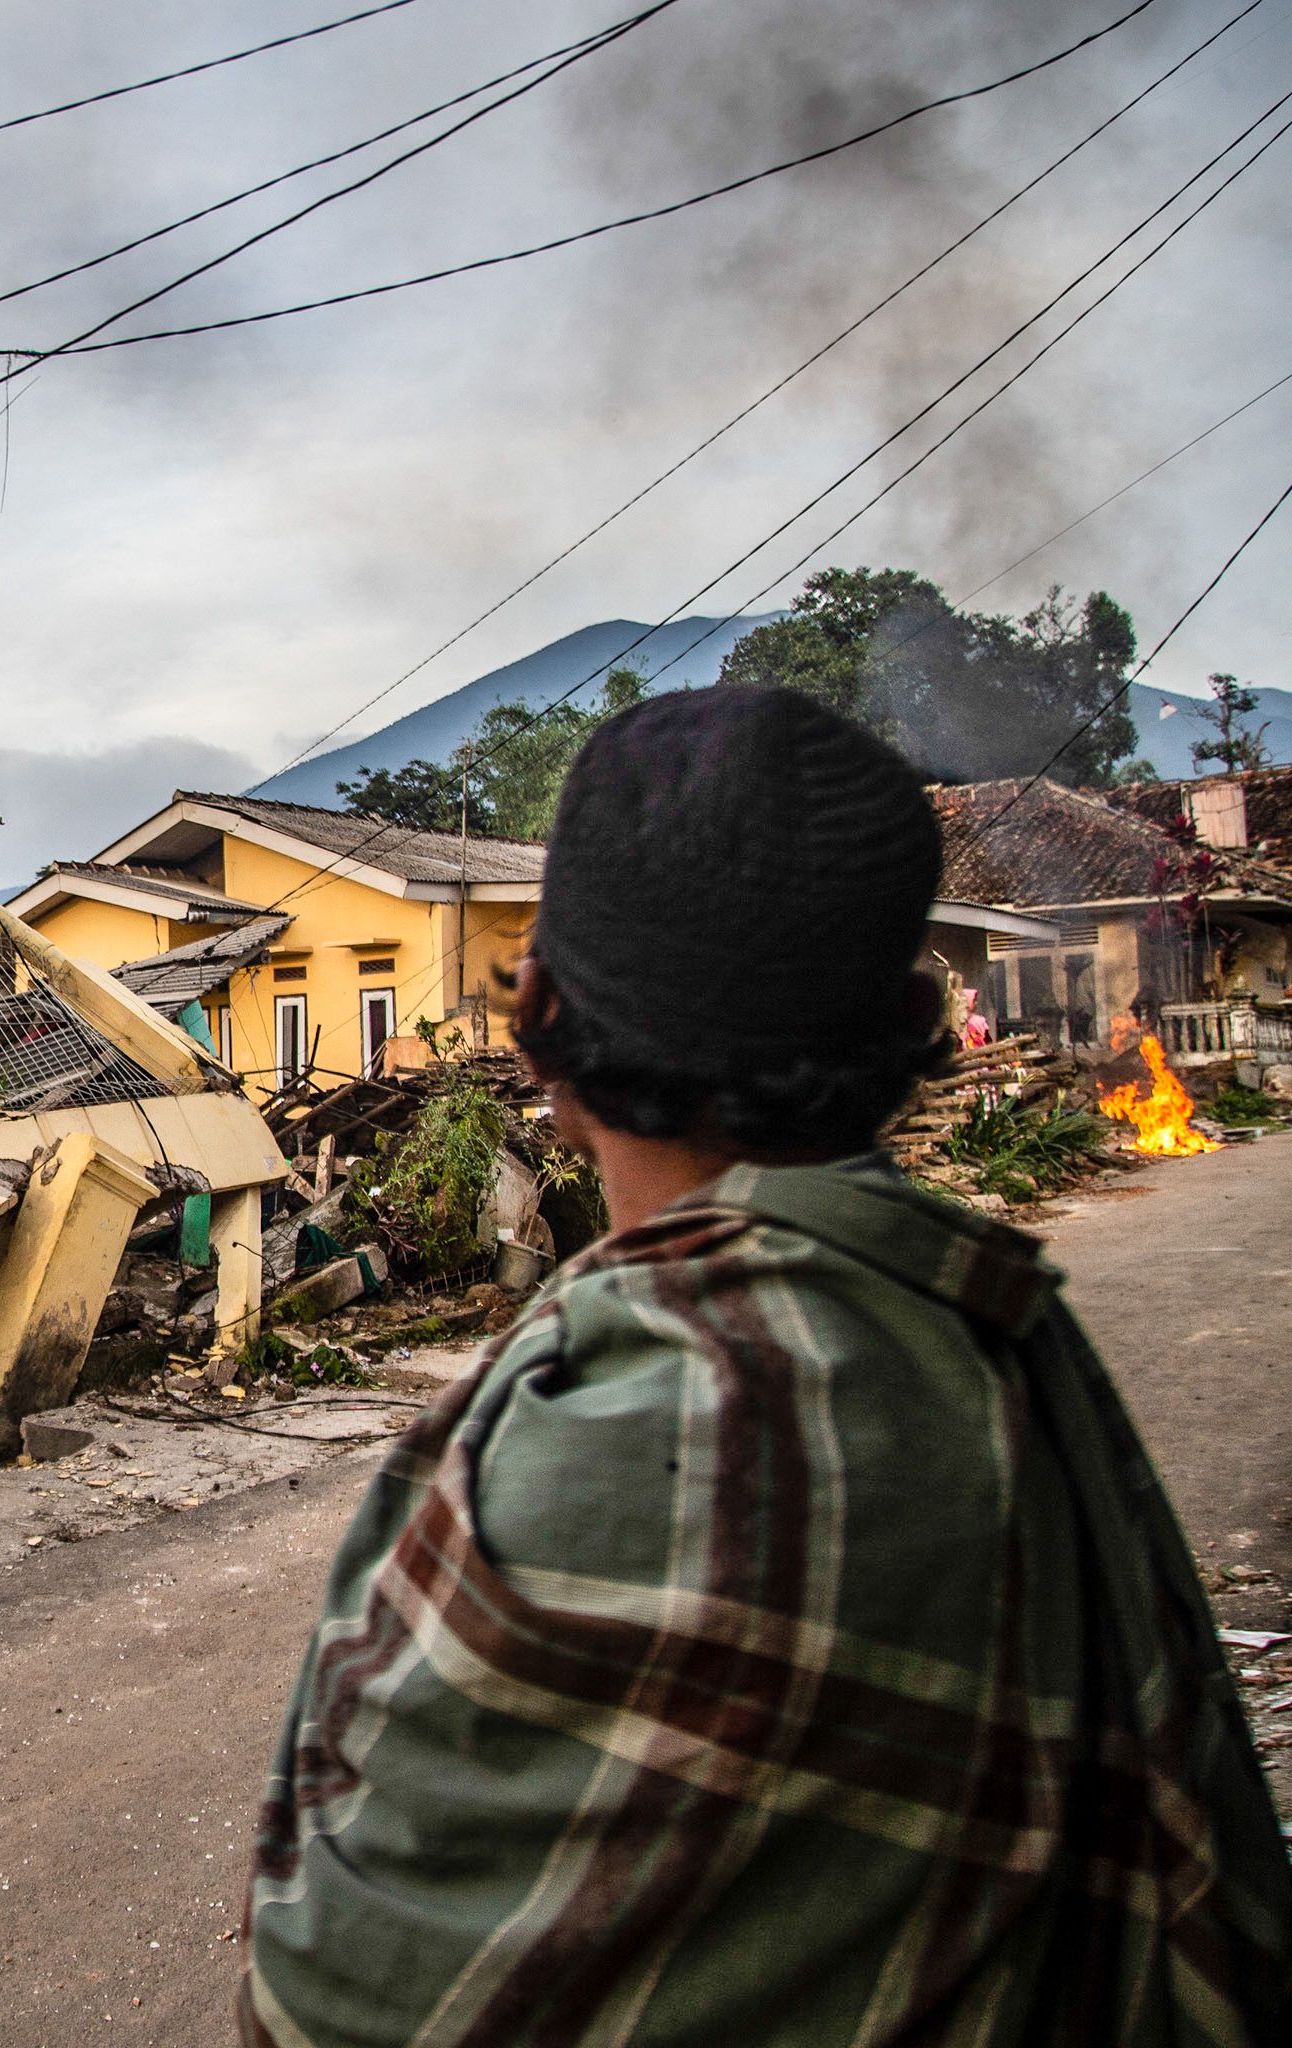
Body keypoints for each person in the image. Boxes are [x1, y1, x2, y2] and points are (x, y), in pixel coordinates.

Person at [238, 688, 1289, 2046]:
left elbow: (337, 1997)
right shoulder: (993, 1337)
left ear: (539, 1010)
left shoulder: (624, 1421)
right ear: (915, 1019)